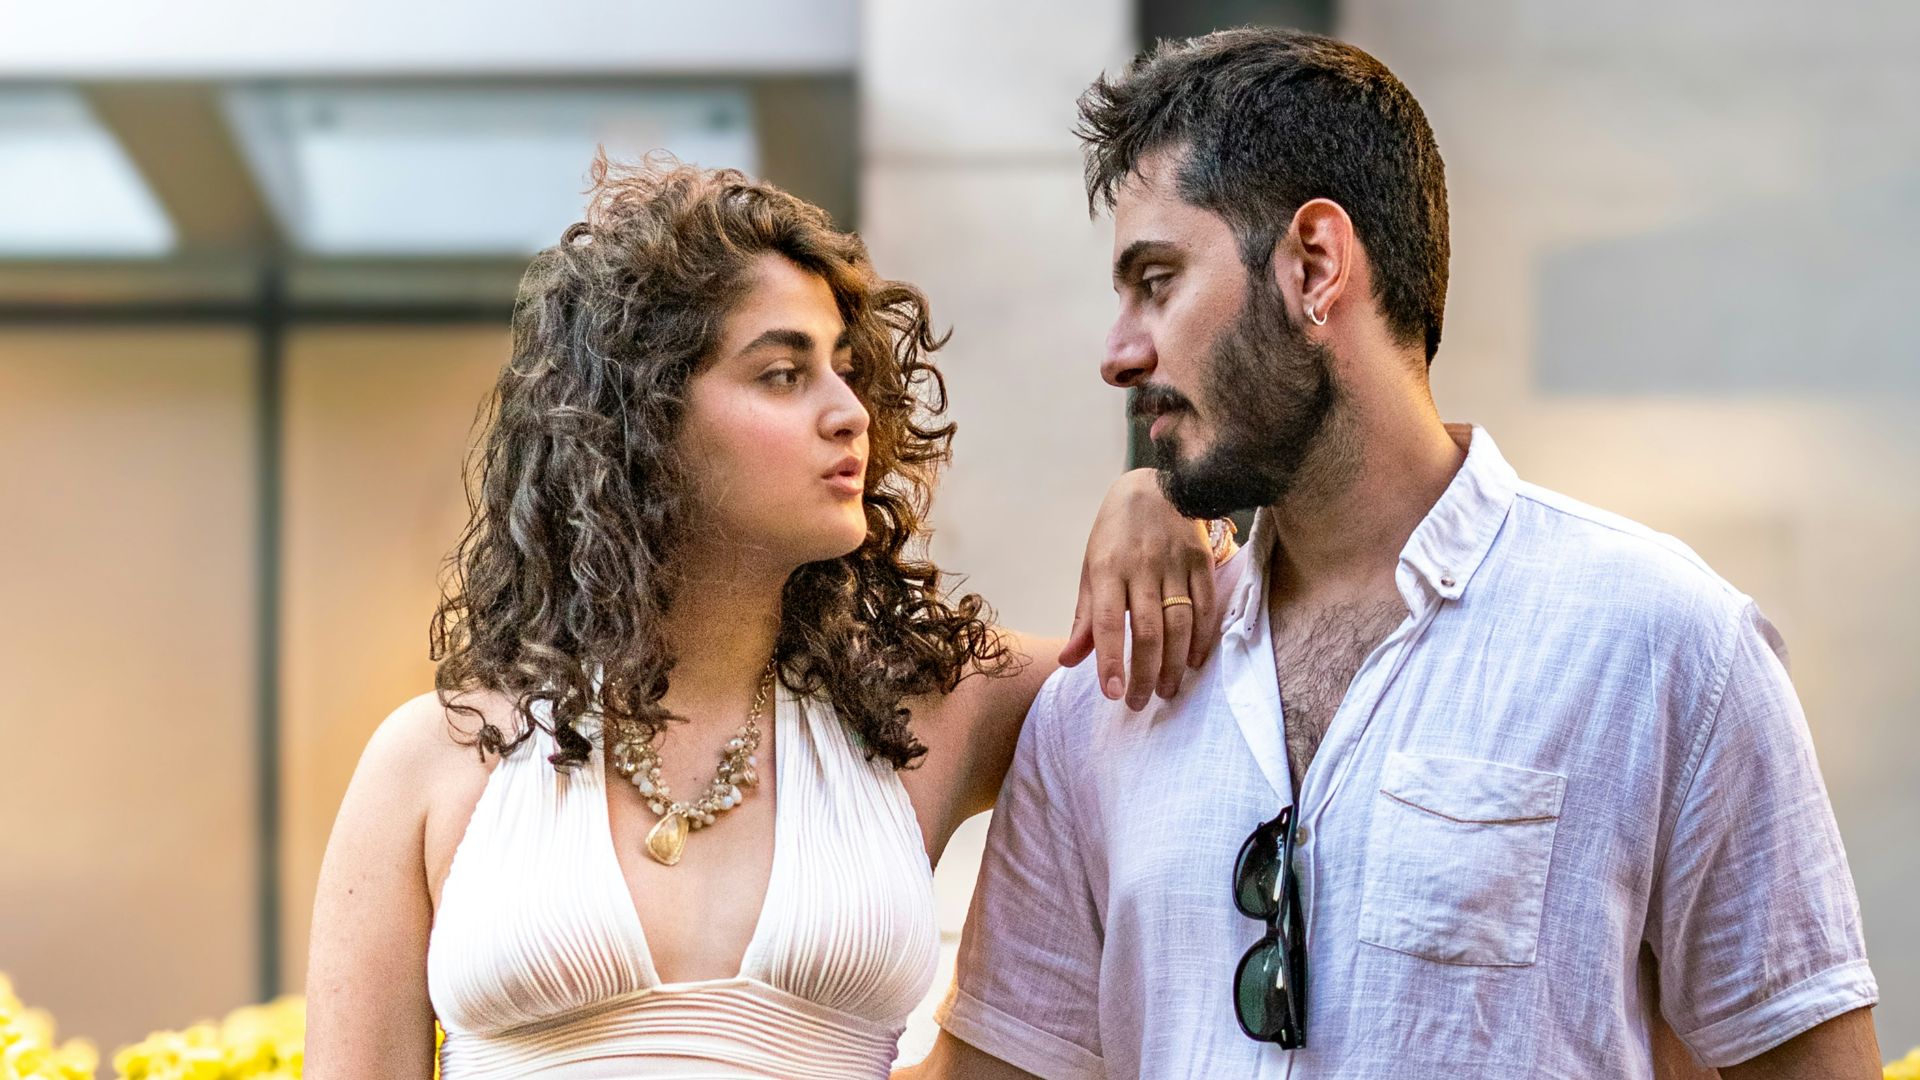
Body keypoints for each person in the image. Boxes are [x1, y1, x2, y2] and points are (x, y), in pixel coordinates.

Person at [915, 28, 1882, 1080]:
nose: (1118, 352)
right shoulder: (1104, 695)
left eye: (1157, 281)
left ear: (1314, 266)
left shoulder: (1662, 643)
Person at [303, 157, 1228, 1079]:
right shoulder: (430, 763)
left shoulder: (931, 708)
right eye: (784, 374)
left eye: (846, 370)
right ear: (643, 419)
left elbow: (1194, 651)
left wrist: (1161, 498)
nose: (848, 413)